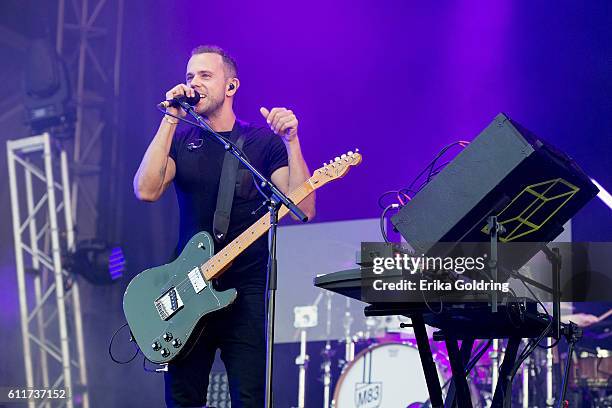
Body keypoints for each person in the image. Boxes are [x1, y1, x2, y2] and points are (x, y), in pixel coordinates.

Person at [133, 45, 316, 407]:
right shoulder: (182, 140)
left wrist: (292, 142)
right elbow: (145, 189)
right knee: (183, 400)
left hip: (244, 292)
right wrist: (170, 118)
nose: (193, 83)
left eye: (204, 75)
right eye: (189, 76)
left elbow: (304, 208)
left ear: (231, 87)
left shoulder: (261, 143)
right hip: (186, 292)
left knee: (249, 398)